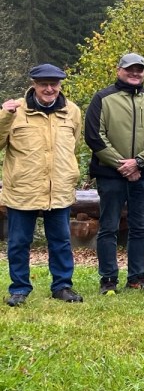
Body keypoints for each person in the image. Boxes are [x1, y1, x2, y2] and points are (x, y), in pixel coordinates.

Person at [84, 53, 144, 294]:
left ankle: (137, 278)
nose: (135, 73)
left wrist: (139, 162)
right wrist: (123, 165)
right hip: (110, 175)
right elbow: (93, 136)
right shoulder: (103, 98)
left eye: (139, 70)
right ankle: (108, 279)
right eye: (130, 69)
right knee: (109, 226)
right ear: (119, 69)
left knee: (141, 227)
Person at [1, 64, 83, 306]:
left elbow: (74, 145)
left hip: (58, 187)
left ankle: (62, 286)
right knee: (18, 243)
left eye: (54, 84)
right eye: (44, 84)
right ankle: (19, 289)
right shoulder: (14, 110)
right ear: (33, 85)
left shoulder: (72, 111)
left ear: (60, 85)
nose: (49, 89)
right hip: (23, 188)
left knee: (61, 241)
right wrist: (4, 116)